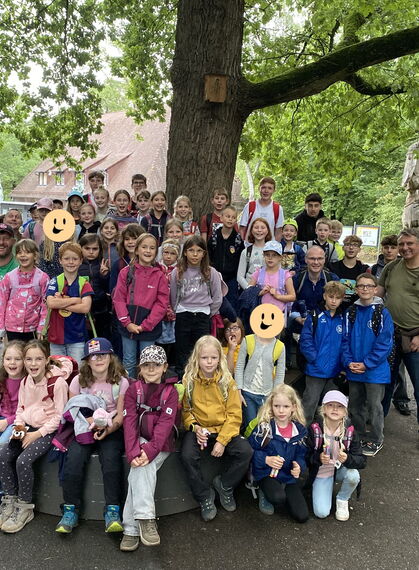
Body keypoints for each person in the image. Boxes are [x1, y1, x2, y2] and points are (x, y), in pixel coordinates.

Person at [55, 338, 127, 534]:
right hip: (84, 426)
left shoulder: (121, 382)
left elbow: (121, 415)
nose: (98, 359)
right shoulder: (78, 380)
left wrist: (107, 430)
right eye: (93, 356)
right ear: (87, 360)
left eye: (102, 355)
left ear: (111, 357)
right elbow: (74, 408)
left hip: (110, 428)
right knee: (73, 460)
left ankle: (113, 510)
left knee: (111, 461)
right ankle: (70, 510)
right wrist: (89, 423)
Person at [0, 340, 70, 533]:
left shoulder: (57, 383)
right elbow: (21, 409)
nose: (33, 364)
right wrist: (19, 427)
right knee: (4, 454)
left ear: (46, 360)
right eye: (29, 359)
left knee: (23, 461)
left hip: (46, 431)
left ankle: (24, 507)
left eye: (38, 359)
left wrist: (36, 434)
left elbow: (60, 416)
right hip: (27, 427)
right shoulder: (26, 381)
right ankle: (9, 499)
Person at [180, 336, 253, 522]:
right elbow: (186, 411)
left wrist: (222, 440)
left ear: (220, 358)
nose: (209, 362)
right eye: (204, 358)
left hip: (223, 428)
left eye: (213, 357)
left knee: (246, 451)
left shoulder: (227, 382)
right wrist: (195, 427)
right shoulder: (188, 381)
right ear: (197, 358)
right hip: (200, 429)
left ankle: (225, 485)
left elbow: (234, 415)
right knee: (187, 455)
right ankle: (204, 496)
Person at [120, 345, 179, 551]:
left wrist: (149, 451)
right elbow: (129, 423)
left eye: (156, 365)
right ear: (140, 368)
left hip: (161, 443)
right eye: (146, 365)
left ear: (165, 367)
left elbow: (164, 426)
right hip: (138, 440)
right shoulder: (132, 390)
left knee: (141, 467)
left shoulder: (171, 392)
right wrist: (133, 452)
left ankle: (131, 529)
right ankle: (145, 520)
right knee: (140, 467)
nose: (151, 369)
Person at [342, 273, 394, 456]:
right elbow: (344, 340)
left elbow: (385, 343)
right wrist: (349, 362)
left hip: (375, 371)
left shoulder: (382, 313)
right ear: (356, 289)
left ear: (375, 289)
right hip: (354, 369)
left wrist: (367, 363)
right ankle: (358, 436)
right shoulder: (350, 312)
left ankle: (376, 439)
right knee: (355, 406)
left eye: (369, 286)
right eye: (361, 286)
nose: (365, 289)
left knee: (374, 406)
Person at [248, 384, 309, 522]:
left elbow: (301, 454)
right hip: (267, 473)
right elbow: (250, 450)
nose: (281, 411)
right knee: (278, 498)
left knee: (302, 516)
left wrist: (299, 466)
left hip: (287, 476)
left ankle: (282, 490)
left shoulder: (300, 430)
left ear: (294, 407)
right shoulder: (264, 428)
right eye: (277, 406)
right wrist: (266, 459)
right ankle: (263, 490)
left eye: (286, 406)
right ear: (271, 406)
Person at [113, 233, 169, 378]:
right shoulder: (126, 272)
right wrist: (127, 323)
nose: (148, 251)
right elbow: (118, 299)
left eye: (152, 248)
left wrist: (146, 325)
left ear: (156, 252)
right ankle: (129, 389)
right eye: (144, 247)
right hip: (128, 325)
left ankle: (147, 389)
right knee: (129, 361)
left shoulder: (160, 276)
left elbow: (162, 303)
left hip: (149, 327)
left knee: (149, 362)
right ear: (137, 250)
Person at [378, 228, 419, 422]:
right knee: (385, 382)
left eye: (410, 243)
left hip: (414, 337)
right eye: (401, 244)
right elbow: (377, 295)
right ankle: (378, 423)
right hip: (390, 335)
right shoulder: (392, 267)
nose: (405, 247)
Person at [306, 391, 365, 521]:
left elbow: (361, 460)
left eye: (339, 406)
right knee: (321, 513)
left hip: (340, 469)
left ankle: (343, 499)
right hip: (323, 471)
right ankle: (322, 488)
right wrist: (318, 458)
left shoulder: (350, 431)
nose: (335, 409)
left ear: (345, 412)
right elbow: (305, 455)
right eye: (330, 405)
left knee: (353, 475)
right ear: (323, 409)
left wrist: (347, 459)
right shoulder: (315, 429)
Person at [170, 235, 223, 379]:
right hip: (183, 314)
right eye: (191, 250)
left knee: (201, 350)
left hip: (202, 315)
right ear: (185, 252)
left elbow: (217, 297)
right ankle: (182, 380)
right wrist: (177, 310)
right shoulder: (177, 271)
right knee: (182, 350)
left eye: (199, 251)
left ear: (204, 253)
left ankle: (200, 380)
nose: (195, 254)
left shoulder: (211, 272)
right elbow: (173, 295)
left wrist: (208, 313)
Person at [300, 281, 346, 424]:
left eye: (337, 298)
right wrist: (315, 359)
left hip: (334, 371)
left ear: (342, 299)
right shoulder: (315, 316)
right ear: (325, 296)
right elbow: (306, 340)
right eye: (331, 297)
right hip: (316, 369)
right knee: (310, 403)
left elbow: (345, 343)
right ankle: (302, 431)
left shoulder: (343, 318)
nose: (334, 301)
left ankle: (324, 431)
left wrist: (342, 364)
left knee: (330, 406)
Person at [46, 242, 94, 363]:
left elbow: (85, 308)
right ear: (60, 261)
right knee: (57, 370)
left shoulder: (84, 283)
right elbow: (51, 303)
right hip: (56, 337)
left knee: (77, 370)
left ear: (81, 261)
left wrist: (61, 302)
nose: (71, 262)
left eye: (75, 259)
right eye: (66, 259)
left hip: (77, 338)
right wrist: (75, 300)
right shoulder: (55, 281)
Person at [0, 239, 49, 342]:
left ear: (35, 255)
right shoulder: (9, 277)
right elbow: (2, 302)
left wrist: (41, 328)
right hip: (11, 328)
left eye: (27, 252)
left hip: (33, 328)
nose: (23, 255)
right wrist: (1, 329)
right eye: (19, 252)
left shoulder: (42, 278)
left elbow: (45, 305)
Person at [235, 327, 285, 427]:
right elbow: (239, 365)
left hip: (267, 395)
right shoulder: (248, 340)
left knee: (265, 425)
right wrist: (238, 390)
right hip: (247, 392)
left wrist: (275, 396)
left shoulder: (280, 346)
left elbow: (280, 373)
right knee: (251, 426)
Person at [208, 205, 244, 310]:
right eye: (228, 216)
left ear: (236, 221)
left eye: (233, 217)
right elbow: (209, 255)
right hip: (216, 277)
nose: (230, 219)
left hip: (232, 278)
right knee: (214, 302)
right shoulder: (214, 237)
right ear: (221, 218)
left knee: (231, 305)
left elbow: (241, 259)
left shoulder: (237, 239)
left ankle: (231, 321)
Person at [79, 234, 111, 340]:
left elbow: (108, 288)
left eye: (95, 249)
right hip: (82, 307)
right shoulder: (77, 265)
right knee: (84, 338)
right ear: (81, 248)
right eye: (87, 248)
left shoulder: (103, 264)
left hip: (101, 307)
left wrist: (104, 275)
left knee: (101, 338)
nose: (91, 252)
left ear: (100, 249)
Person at [248, 241, 296, 313]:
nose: (270, 258)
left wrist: (277, 296)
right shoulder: (258, 273)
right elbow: (248, 292)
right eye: (267, 255)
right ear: (263, 255)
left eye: (274, 255)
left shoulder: (285, 275)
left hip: (279, 314)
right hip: (259, 314)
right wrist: (259, 292)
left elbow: (292, 296)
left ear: (280, 257)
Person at [156, 240, 179, 367]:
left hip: (174, 311)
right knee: (160, 340)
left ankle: (171, 367)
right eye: (166, 253)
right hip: (159, 311)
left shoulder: (179, 270)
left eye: (172, 253)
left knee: (173, 339)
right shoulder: (157, 268)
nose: (168, 256)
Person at [329, 235, 369, 311]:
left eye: (355, 245)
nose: (351, 248)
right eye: (348, 245)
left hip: (357, 309)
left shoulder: (364, 269)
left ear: (359, 249)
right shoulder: (333, 267)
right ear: (343, 248)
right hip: (336, 309)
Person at [239, 177, 284, 241]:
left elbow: (278, 231)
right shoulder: (249, 206)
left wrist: (276, 245)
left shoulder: (278, 208)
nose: (266, 191)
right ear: (259, 189)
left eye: (269, 188)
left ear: (274, 190)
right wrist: (244, 243)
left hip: (269, 246)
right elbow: (242, 228)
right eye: (263, 187)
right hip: (250, 245)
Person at [0, 340, 26, 444]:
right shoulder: (2, 378)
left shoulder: (28, 382)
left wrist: (7, 422)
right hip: (2, 417)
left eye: (17, 359)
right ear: (3, 361)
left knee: (2, 443)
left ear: (25, 361)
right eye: (8, 359)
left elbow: (27, 411)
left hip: (18, 420)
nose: (12, 362)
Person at [236, 217, 270, 291]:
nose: (259, 230)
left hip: (267, 291)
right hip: (249, 290)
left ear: (268, 230)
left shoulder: (272, 251)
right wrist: (250, 290)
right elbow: (240, 277)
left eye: (263, 228)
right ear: (251, 230)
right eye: (256, 227)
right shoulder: (246, 252)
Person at [109, 223, 144, 293]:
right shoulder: (118, 265)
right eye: (127, 239)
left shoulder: (148, 263)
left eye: (134, 238)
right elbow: (113, 291)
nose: (130, 242)